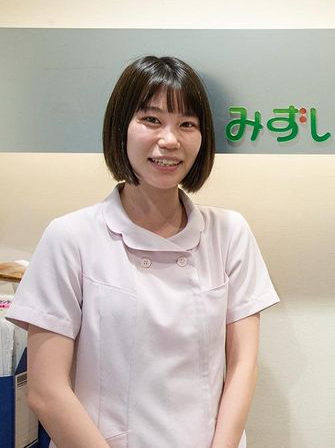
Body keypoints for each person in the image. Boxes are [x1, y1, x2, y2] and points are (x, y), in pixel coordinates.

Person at [6, 56, 279, 448]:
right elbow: (46, 391)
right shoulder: (70, 236)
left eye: (187, 124)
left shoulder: (229, 232)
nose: (170, 140)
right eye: (151, 119)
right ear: (121, 127)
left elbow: (242, 365)